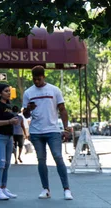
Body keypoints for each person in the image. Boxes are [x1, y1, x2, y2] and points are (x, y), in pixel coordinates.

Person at [22, 65, 73, 200]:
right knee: (41, 160)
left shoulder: (54, 90)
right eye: (34, 80)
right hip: (36, 131)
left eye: (39, 79)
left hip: (53, 130)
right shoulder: (28, 92)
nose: (36, 82)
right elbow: (26, 115)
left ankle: (66, 189)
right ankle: (45, 189)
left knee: (58, 156)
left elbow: (62, 109)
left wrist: (66, 128)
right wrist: (28, 109)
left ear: (44, 77)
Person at [0, 84, 20, 200]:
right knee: (0, 163)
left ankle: (4, 187)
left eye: (9, 91)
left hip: (9, 137)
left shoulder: (8, 105)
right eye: (6, 91)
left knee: (7, 164)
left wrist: (14, 121)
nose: (9, 93)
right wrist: (9, 121)